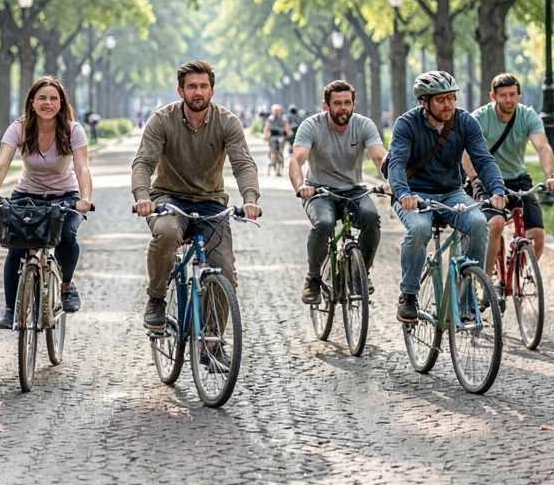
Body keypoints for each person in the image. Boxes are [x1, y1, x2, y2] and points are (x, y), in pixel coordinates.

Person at [132, 60, 260, 339]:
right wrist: (143, 197)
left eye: (204, 86)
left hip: (211, 201)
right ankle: (156, 298)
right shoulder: (162, 120)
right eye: (192, 87)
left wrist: (250, 198)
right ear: (181, 91)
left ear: (212, 90)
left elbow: (243, 164)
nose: (198, 92)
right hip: (168, 198)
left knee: (225, 271)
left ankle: (213, 342)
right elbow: (143, 163)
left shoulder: (227, 122)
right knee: (167, 233)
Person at [386, 71, 506, 324]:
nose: (448, 104)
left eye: (452, 97)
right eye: (441, 100)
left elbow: (483, 160)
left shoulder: (465, 122)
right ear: (425, 102)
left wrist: (497, 190)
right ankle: (409, 295)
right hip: (414, 194)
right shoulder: (406, 124)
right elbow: (396, 163)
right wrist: (403, 193)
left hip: (451, 192)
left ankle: (466, 300)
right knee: (419, 229)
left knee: (478, 224)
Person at [0, 77, 93, 329]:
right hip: (26, 195)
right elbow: (1, 165)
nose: (47, 103)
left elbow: (82, 168)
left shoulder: (73, 130)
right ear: (31, 102)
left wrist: (85, 198)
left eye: (53, 98)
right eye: (42, 98)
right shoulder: (19, 128)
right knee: (16, 246)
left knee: (66, 237)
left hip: (65, 196)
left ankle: (66, 287)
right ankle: (10, 310)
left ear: (61, 103)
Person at [289, 80, 389, 303]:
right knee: (324, 224)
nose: (343, 108)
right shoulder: (311, 126)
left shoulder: (363, 125)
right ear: (326, 106)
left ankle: (360, 273)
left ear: (353, 104)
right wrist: (301, 187)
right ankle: (313, 278)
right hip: (318, 191)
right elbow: (297, 159)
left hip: (354, 190)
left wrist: (391, 180)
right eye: (337, 103)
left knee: (372, 219)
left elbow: (379, 156)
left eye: (347, 103)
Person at [463, 74, 554, 285]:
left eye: (512, 95)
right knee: (495, 224)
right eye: (503, 95)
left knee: (537, 234)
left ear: (519, 95)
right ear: (493, 96)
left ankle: (518, 275)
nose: (508, 100)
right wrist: (475, 179)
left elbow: (543, 146)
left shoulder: (527, 116)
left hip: (518, 180)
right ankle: (486, 284)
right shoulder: (479, 118)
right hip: (487, 181)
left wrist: (552, 175)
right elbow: (464, 152)